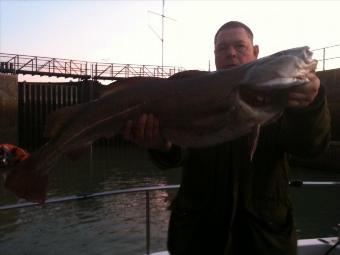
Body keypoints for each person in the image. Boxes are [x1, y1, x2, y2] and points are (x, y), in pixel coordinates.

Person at [123, 21, 331, 255]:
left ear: (256, 52)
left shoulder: (282, 98)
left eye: (239, 46)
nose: (231, 53)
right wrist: (160, 144)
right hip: (198, 240)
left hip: (265, 241)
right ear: (214, 55)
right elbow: (178, 154)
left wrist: (310, 107)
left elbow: (311, 147)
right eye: (222, 48)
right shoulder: (195, 95)